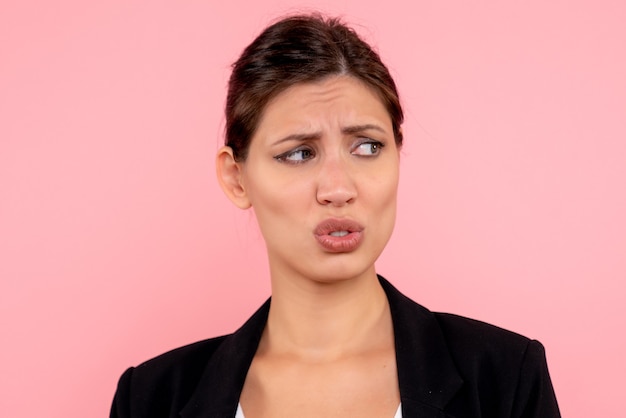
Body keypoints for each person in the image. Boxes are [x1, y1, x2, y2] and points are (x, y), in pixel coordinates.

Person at [110, 14, 560, 418]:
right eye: (299, 153)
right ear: (236, 178)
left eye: (367, 147)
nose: (339, 189)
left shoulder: (505, 378)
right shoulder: (152, 399)